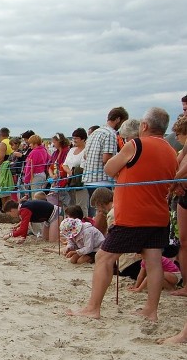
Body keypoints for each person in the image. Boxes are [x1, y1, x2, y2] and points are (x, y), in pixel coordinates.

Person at [68, 107, 177, 321]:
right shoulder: (171, 150)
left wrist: (126, 150)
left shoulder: (136, 144)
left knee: (103, 257)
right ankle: (150, 311)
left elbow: (109, 168)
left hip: (133, 215)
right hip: (159, 215)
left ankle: (93, 308)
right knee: (153, 261)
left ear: (144, 126)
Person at [80, 106, 129, 214]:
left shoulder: (95, 133)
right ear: (118, 119)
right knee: (104, 213)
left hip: (89, 178)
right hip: (102, 179)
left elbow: (85, 156)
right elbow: (107, 159)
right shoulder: (110, 134)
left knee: (95, 212)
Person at [168, 114, 187, 297]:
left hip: (182, 192)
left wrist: (174, 183)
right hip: (182, 195)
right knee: (183, 242)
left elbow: (180, 170)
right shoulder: (184, 149)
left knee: (184, 243)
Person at [62, 128, 87, 211]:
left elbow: (83, 166)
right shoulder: (72, 150)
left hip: (80, 182)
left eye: (76, 138)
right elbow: (64, 164)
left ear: (83, 139)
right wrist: (70, 173)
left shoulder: (86, 151)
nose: (74, 140)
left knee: (81, 205)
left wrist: (72, 174)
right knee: (71, 205)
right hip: (69, 181)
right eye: (73, 138)